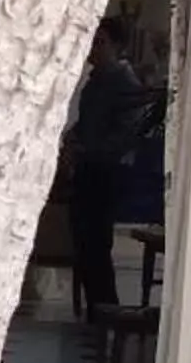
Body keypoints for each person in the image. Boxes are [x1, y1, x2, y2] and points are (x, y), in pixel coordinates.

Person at [61, 16, 147, 317]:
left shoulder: (124, 84)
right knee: (84, 243)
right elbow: (86, 123)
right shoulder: (95, 81)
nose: (93, 50)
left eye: (100, 43)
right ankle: (95, 308)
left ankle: (105, 309)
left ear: (116, 46)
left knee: (96, 244)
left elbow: (126, 133)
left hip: (105, 172)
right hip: (87, 168)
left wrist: (90, 148)